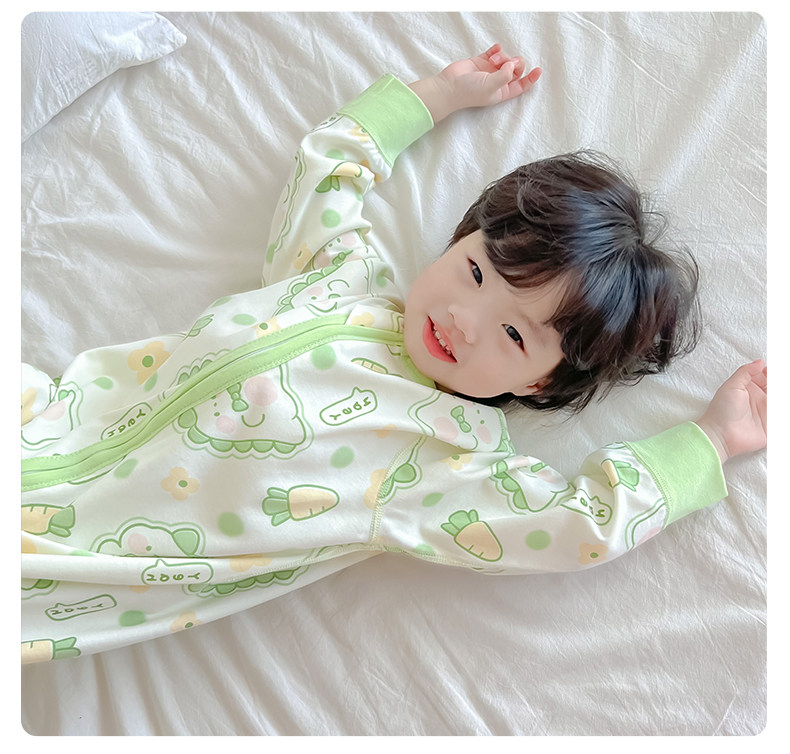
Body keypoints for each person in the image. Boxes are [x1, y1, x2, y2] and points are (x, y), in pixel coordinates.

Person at [21, 45, 766, 663]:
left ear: (543, 383)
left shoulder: (443, 462)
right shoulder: (341, 276)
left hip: (61, 564)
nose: (464, 320)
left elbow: (580, 524)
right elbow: (327, 171)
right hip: (39, 420)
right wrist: (436, 95)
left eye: (515, 335)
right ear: (458, 241)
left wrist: (709, 441)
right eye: (476, 272)